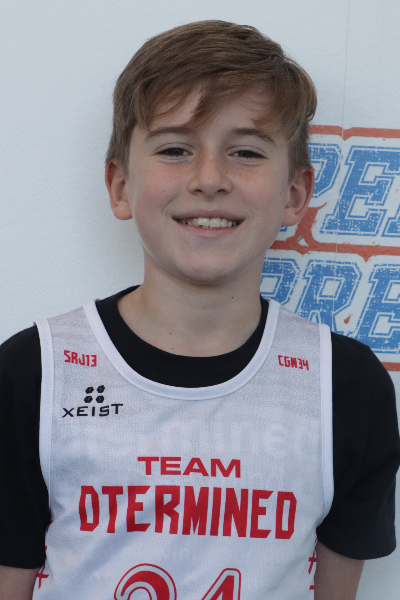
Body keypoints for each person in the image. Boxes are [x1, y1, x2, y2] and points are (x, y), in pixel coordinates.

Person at [0, 20, 399, 600]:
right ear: (119, 185)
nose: (210, 179)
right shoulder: (33, 372)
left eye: (245, 152)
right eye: (175, 149)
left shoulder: (347, 386)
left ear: (294, 193)